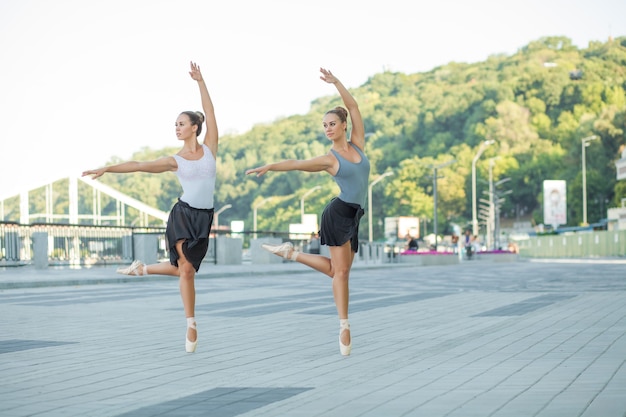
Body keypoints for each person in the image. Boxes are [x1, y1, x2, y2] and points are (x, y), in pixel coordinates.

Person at [82, 61, 218, 354]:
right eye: (175, 125)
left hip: (205, 218)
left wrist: (200, 81)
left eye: (181, 124)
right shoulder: (174, 160)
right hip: (183, 216)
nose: (177, 128)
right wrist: (108, 167)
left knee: (184, 269)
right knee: (186, 273)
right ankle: (191, 322)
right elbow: (139, 166)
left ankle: (142, 269)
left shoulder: (210, 148)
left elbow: (211, 111)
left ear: (195, 127)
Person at [245, 68, 370, 356]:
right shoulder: (329, 159)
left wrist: (337, 82)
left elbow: (353, 106)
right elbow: (297, 163)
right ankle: (344, 328)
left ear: (342, 126)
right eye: (324, 125)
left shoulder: (358, 145)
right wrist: (270, 166)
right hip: (338, 214)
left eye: (331, 124)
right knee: (340, 275)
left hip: (355, 216)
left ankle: (292, 254)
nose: (327, 128)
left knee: (340, 271)